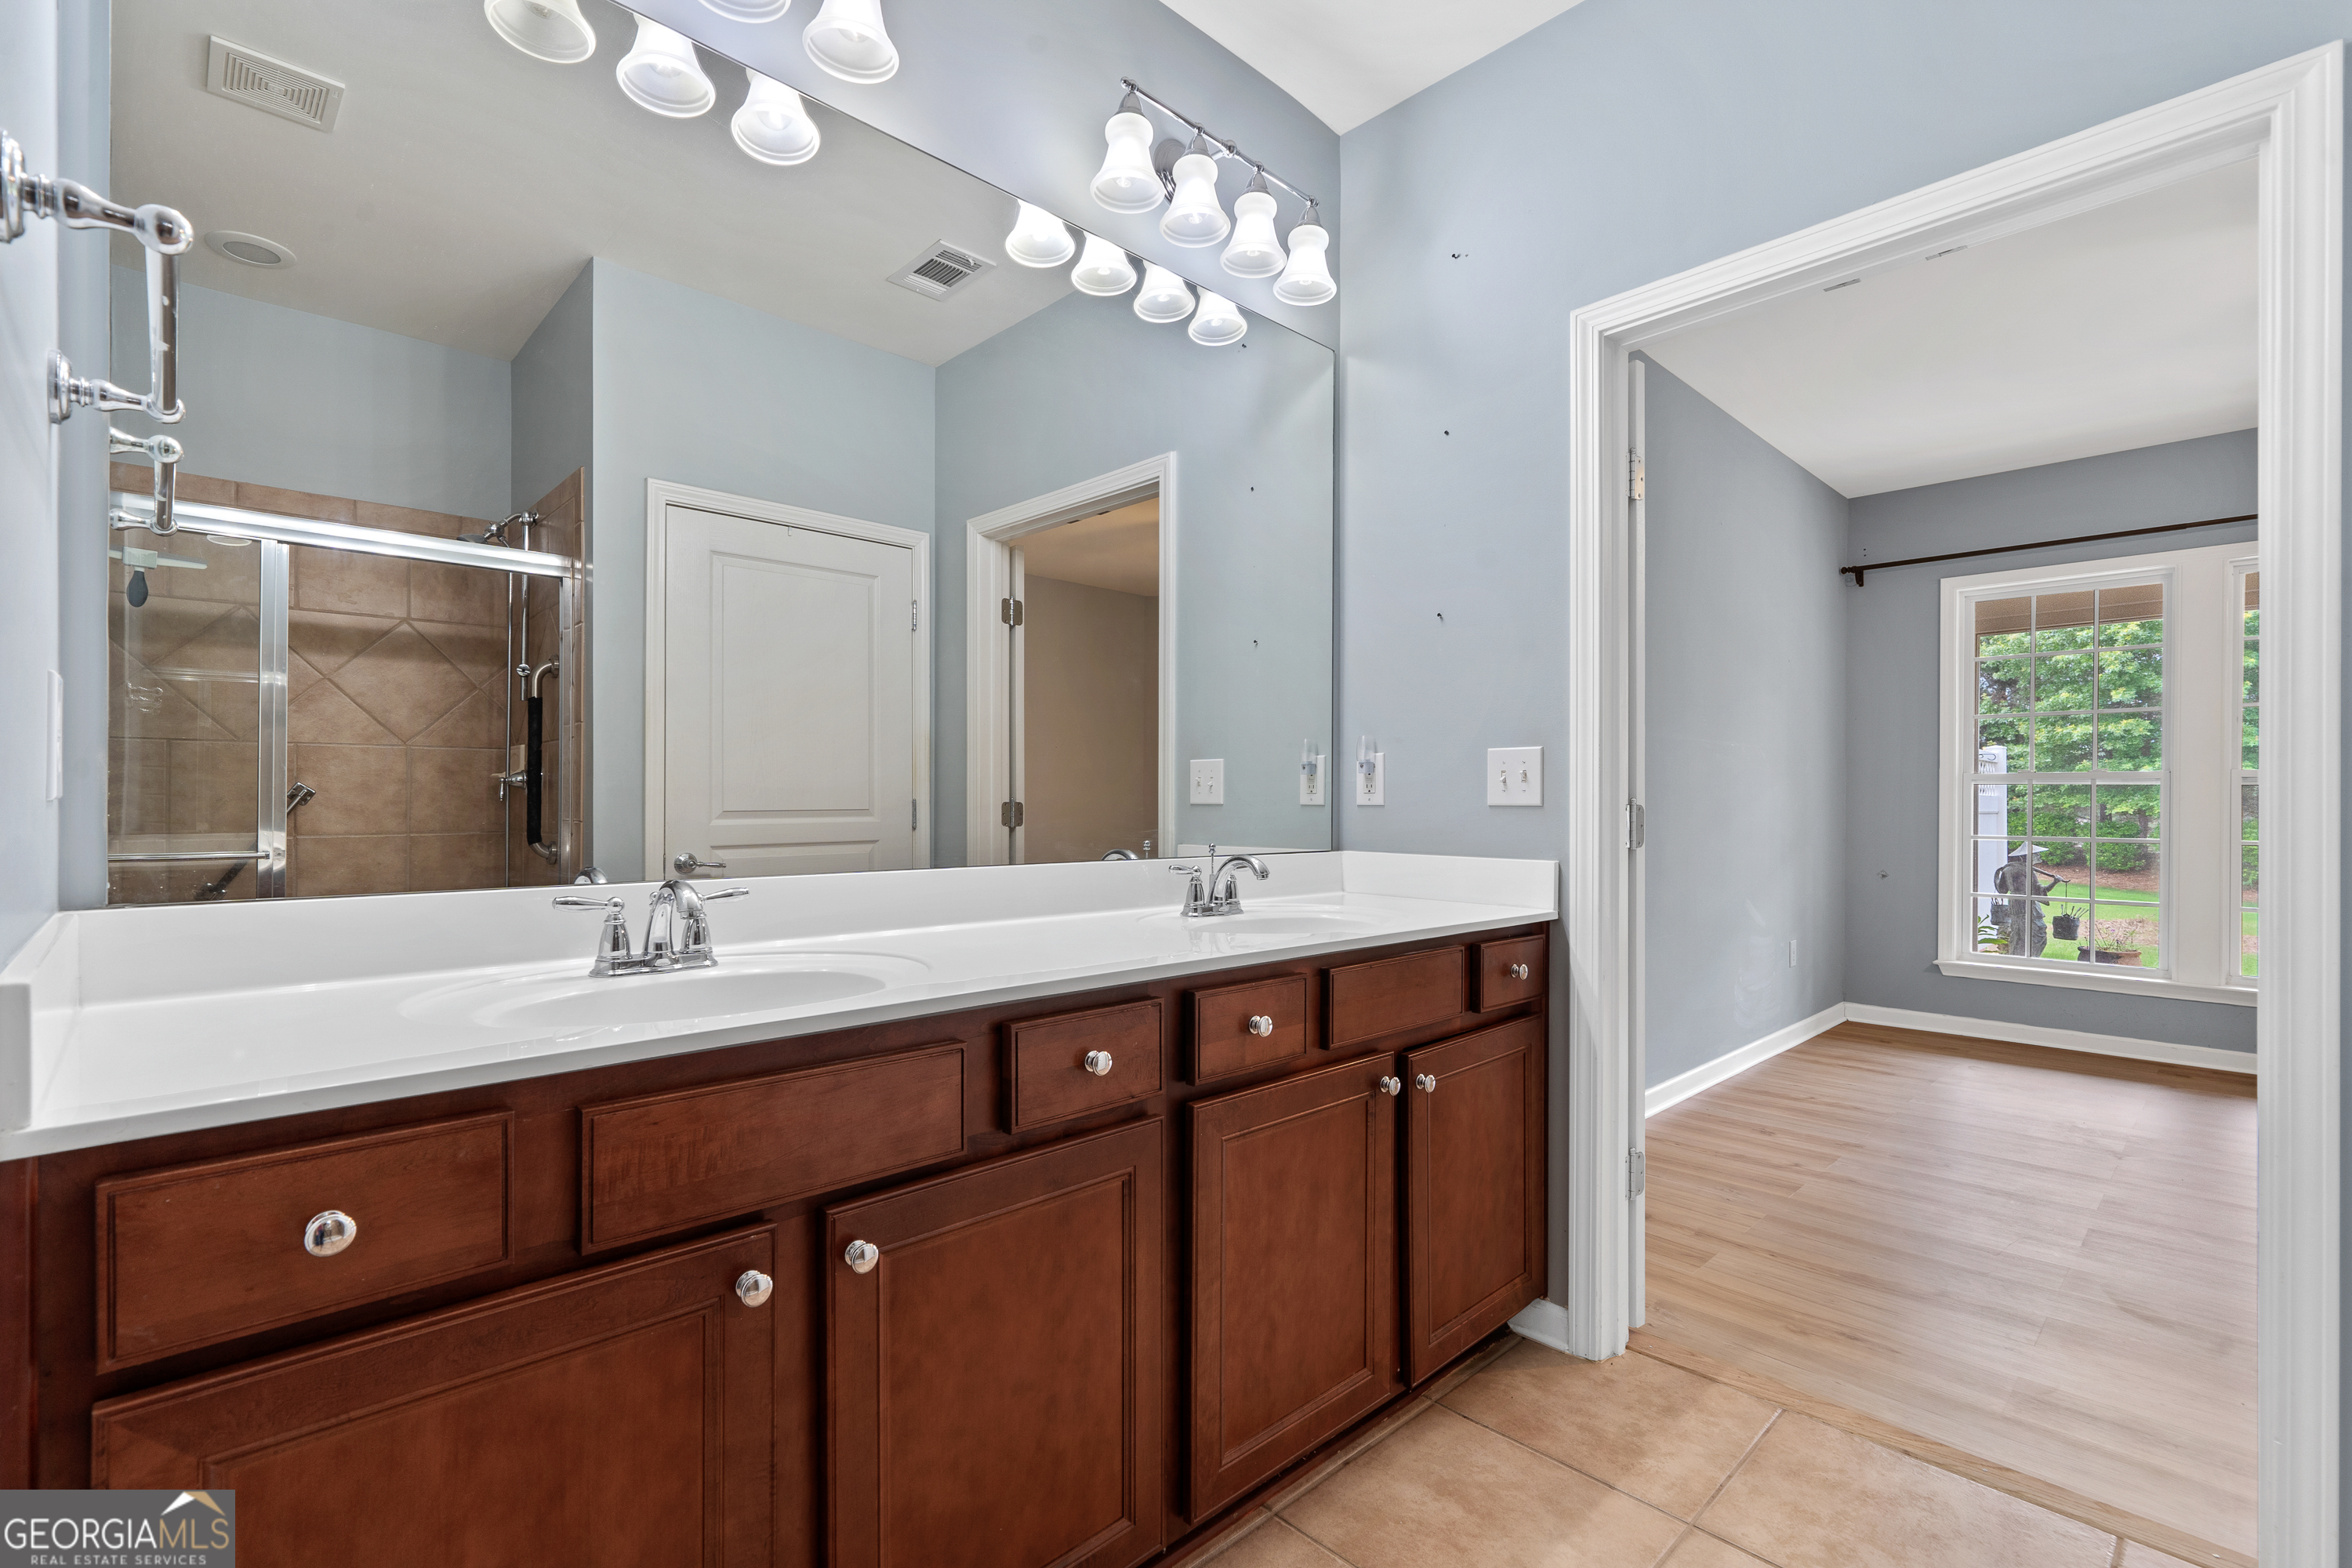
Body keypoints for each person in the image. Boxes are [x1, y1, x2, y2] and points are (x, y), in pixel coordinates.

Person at [1991, 846, 2061, 957]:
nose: (2039, 856)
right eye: (2036, 854)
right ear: (2027, 857)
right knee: (2038, 934)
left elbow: (2002, 890)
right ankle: (2031, 959)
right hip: (2027, 905)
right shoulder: (2027, 871)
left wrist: (1997, 875)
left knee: (2018, 934)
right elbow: (2040, 891)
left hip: (2015, 904)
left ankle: (2017, 957)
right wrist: (2055, 882)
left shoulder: (2008, 869)